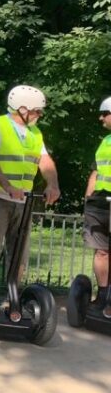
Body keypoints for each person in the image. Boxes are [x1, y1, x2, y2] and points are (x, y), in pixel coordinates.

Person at [0, 85, 60, 293]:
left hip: (23, 202)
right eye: (37, 111)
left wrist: (52, 184)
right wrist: (7, 186)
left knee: (19, 255)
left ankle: (11, 300)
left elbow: (45, 161)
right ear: (23, 109)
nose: (40, 115)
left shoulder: (35, 133)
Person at [82, 96, 111, 301]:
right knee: (101, 251)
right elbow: (96, 172)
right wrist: (88, 198)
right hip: (100, 203)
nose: (101, 118)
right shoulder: (106, 141)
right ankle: (102, 296)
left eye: (104, 114)